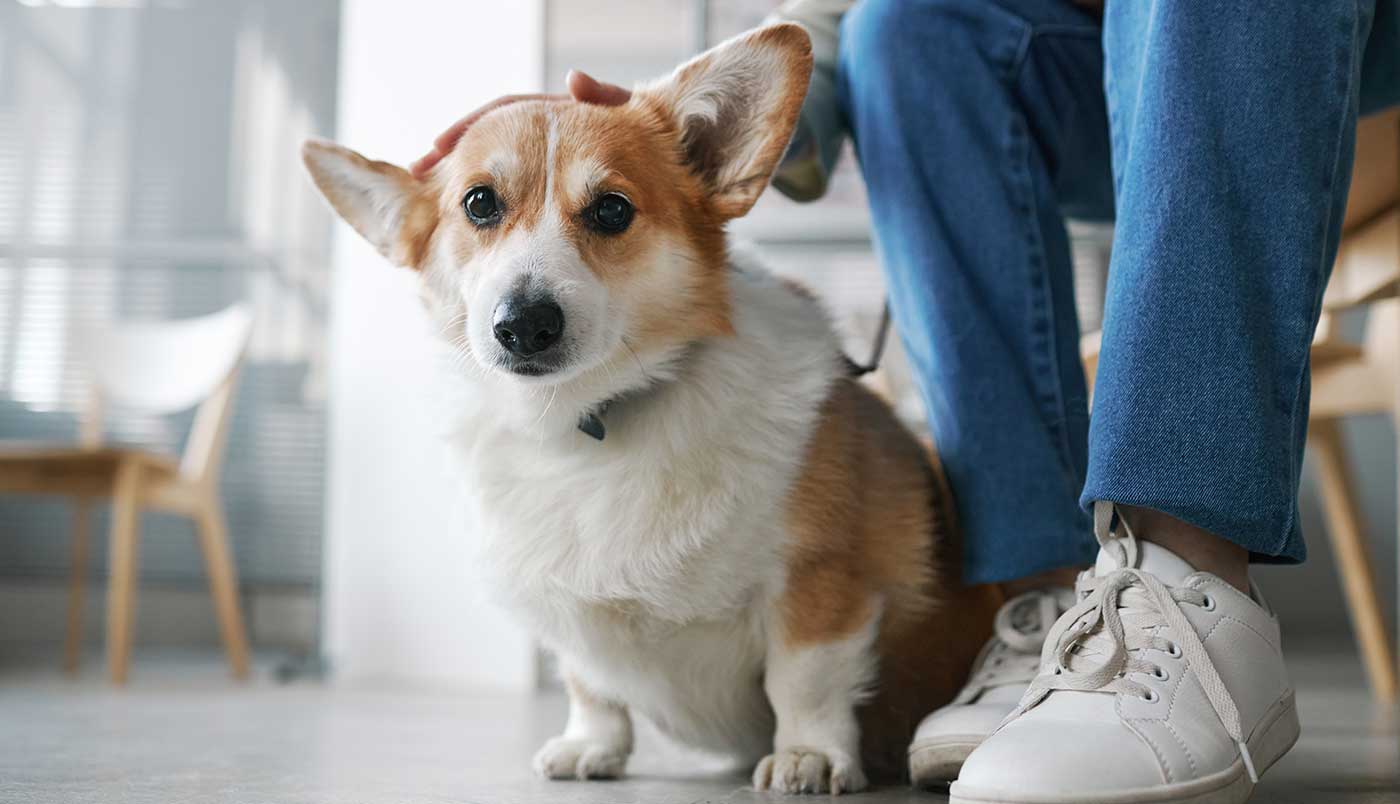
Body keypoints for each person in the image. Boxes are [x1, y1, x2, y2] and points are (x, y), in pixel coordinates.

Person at [414, 2, 1400, 801]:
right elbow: (830, 37)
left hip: (1334, 74)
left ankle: (1187, 584)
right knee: (907, 31)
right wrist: (682, 144)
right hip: (1112, 68)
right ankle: (1038, 601)